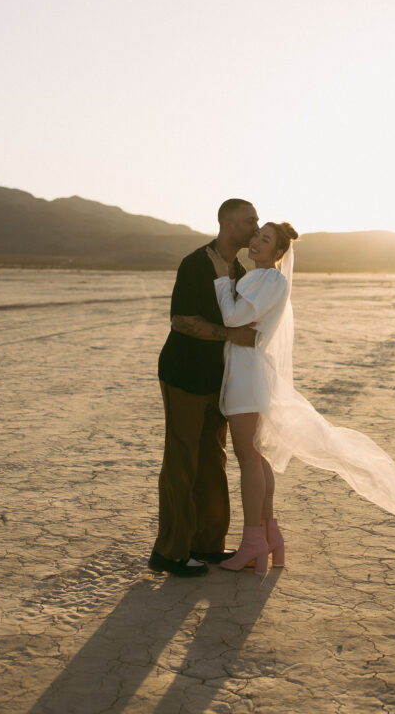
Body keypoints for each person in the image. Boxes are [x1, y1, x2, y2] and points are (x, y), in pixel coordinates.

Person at [207, 221, 395, 574]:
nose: (256, 241)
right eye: (256, 235)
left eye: (265, 240)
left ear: (278, 252)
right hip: (251, 374)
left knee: (249, 460)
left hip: (246, 379)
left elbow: (232, 316)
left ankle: (254, 541)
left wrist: (222, 278)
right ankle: (270, 536)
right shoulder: (265, 279)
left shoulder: (269, 280)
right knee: (258, 457)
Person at [148, 199, 260, 577]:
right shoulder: (195, 263)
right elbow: (182, 321)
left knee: (213, 459)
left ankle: (207, 544)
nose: (256, 227)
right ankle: (170, 552)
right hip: (183, 374)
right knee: (182, 461)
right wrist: (232, 335)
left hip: (218, 380)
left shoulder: (240, 269)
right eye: (250, 221)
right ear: (228, 224)